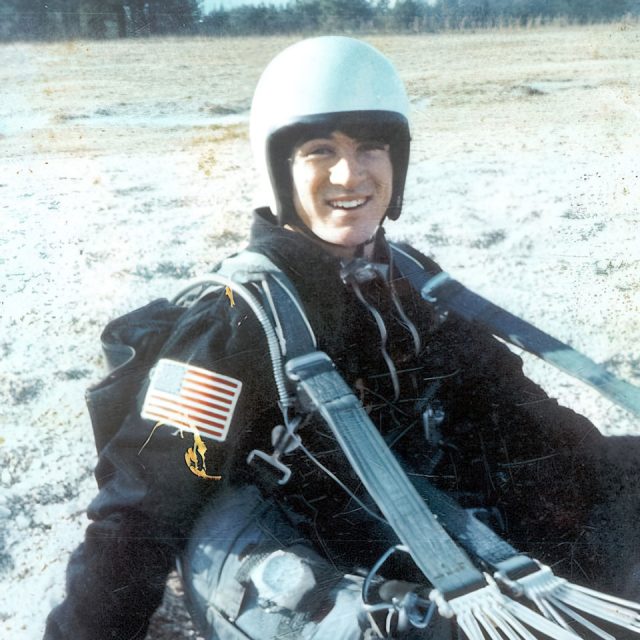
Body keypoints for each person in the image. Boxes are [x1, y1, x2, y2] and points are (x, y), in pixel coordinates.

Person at [44, 37, 639, 640]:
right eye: (319, 151)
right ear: (280, 169)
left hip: (430, 516)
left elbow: (513, 403)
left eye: (370, 148)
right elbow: (140, 509)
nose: (349, 174)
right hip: (324, 568)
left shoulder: (410, 279)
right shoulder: (236, 318)